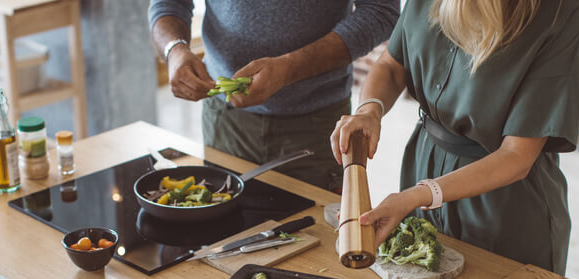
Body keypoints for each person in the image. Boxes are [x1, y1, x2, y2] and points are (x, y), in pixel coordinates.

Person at [330, 0, 579, 274]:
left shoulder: (562, 9)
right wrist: (370, 109)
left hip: (505, 203)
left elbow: (517, 155)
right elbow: (392, 64)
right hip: (423, 165)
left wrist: (418, 195)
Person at [149, 0, 399, 192]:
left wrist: (289, 68)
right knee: (222, 242)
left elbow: (380, 11)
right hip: (224, 123)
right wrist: (174, 49)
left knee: (316, 248)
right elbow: (168, 3)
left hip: (318, 128)